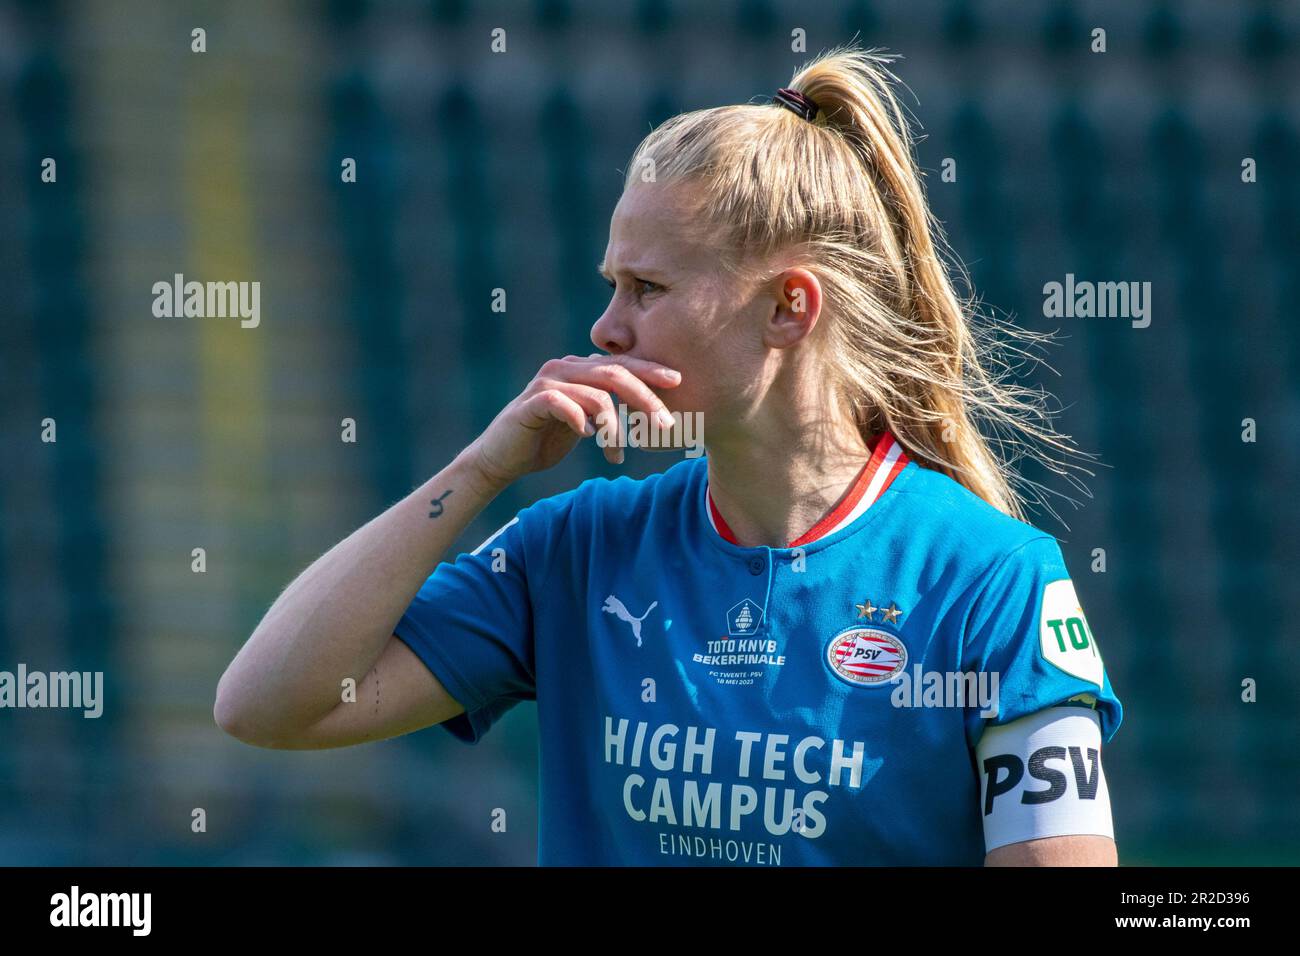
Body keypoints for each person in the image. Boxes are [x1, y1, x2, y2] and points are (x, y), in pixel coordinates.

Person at [215, 44, 1122, 866]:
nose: (606, 328)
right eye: (612, 285)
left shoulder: (993, 580)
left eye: (646, 289)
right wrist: (479, 471)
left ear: (789, 309)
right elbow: (266, 706)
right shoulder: (574, 550)